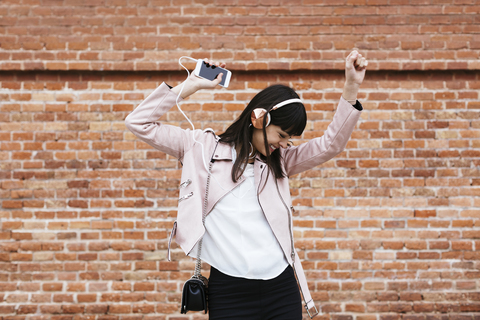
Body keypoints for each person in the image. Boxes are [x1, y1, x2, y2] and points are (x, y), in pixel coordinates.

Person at [125, 50, 367, 320]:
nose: (285, 144)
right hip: (230, 292)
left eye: (291, 139)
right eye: (282, 135)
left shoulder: (281, 162)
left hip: (281, 288)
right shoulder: (200, 148)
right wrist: (190, 85)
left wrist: (351, 87)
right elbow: (138, 122)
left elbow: (330, 144)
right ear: (259, 119)